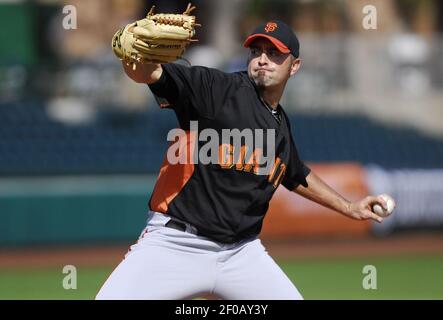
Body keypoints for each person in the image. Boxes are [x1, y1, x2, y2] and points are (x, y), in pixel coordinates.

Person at [96, 20, 393, 300]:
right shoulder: (216, 89)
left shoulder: (279, 124)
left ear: (295, 66)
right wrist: (133, 57)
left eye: (274, 53)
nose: (262, 59)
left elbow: (294, 173)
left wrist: (349, 207)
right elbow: (150, 75)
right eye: (256, 51)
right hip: (177, 243)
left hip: (240, 253)